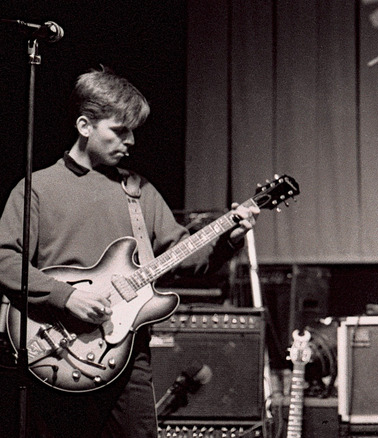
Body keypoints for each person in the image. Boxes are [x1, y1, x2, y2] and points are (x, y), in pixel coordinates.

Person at [0, 67, 261, 438]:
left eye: (133, 131)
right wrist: (67, 296)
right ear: (84, 125)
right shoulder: (37, 188)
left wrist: (228, 238)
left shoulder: (138, 191)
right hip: (55, 351)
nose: (131, 141)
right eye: (119, 130)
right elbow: (5, 259)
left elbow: (183, 259)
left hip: (127, 358)